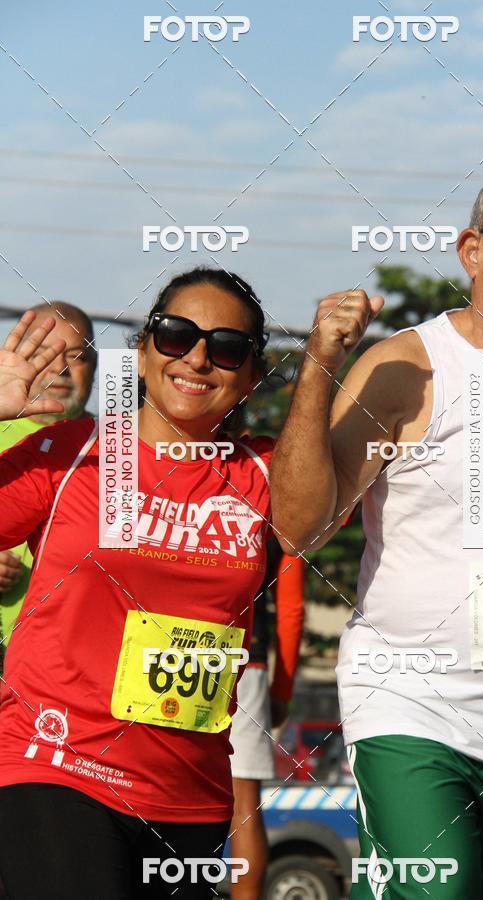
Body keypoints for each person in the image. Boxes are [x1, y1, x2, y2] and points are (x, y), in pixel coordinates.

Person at [270, 161, 483, 898]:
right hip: (417, 717)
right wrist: (320, 366)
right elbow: (297, 530)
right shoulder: (407, 370)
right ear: (473, 251)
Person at [0, 267, 277, 899]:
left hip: (190, 797)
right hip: (55, 766)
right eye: (177, 335)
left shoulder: (266, 472)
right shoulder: (74, 452)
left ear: (251, 376)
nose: (199, 358)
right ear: (145, 352)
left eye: (227, 347)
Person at [0, 301, 97, 675]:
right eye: (45, 353)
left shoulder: (119, 450)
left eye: (77, 356)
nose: (61, 369)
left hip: (69, 668)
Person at [229, 537, 304, 900]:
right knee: (244, 803)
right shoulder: (282, 497)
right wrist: (281, 691)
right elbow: (291, 609)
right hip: (247, 658)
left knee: (166, 789)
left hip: (170, 650)